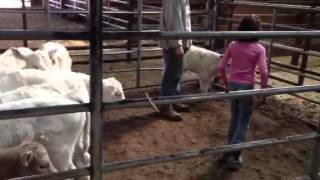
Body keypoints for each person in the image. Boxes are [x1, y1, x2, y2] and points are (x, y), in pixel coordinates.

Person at [218, 15, 268, 170]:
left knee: (234, 117)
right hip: (247, 87)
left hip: (233, 84)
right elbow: (264, 72)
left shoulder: (233, 45)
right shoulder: (259, 49)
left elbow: (221, 67)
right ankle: (234, 153)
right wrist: (262, 92)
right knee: (243, 121)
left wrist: (225, 83)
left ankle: (229, 148)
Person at [158, 0, 192, 121]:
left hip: (179, 41)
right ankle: (165, 106)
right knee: (172, 75)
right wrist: (177, 44)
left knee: (176, 73)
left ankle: (174, 100)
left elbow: (183, 18)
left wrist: (185, 41)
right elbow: (172, 21)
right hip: (175, 43)